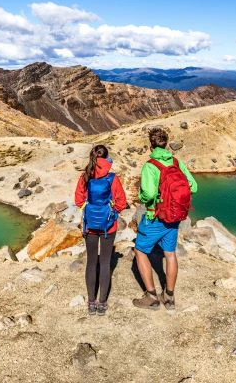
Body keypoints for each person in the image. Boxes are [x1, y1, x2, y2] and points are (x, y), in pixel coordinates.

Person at [132, 127, 197, 310]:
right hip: (175, 217)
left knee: (140, 251)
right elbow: (194, 186)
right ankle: (169, 297)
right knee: (170, 254)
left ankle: (151, 297)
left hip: (156, 217)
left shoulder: (150, 165)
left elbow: (149, 194)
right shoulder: (176, 162)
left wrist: (144, 197)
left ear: (150, 144)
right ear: (166, 143)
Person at [74, 144, 127, 316]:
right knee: (105, 263)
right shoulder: (112, 178)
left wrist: (88, 209)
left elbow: (78, 199)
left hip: (90, 225)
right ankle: (102, 303)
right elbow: (121, 201)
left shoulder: (85, 176)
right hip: (108, 226)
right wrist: (112, 213)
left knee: (91, 262)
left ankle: (91, 302)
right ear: (107, 157)